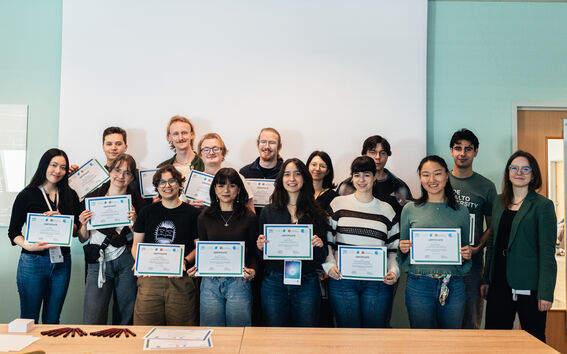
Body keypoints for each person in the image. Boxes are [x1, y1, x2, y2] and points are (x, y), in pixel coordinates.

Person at [481, 151, 556, 342]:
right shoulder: (499, 202)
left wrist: (546, 292)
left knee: (535, 340)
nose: (519, 172)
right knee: (495, 341)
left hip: (530, 287)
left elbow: (547, 253)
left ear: (533, 174)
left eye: (525, 169)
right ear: (508, 172)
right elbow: (492, 243)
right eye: (514, 168)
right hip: (498, 283)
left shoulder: (543, 205)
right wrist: (486, 278)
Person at [323, 156, 400, 328]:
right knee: (347, 334)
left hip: (378, 283)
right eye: (357, 175)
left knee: (375, 334)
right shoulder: (338, 204)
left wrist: (394, 271)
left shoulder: (387, 210)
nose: (361, 180)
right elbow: (327, 240)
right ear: (352, 177)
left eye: (366, 175)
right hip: (343, 280)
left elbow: (393, 248)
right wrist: (329, 265)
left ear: (374, 177)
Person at [398, 155, 472, 329]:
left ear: (447, 176)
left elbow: (465, 249)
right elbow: (403, 249)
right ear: (420, 178)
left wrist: (467, 253)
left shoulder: (461, 211)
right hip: (418, 285)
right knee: (422, 342)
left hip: (453, 284)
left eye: (437, 174)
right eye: (425, 175)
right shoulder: (410, 209)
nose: (431, 180)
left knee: (452, 341)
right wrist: (403, 248)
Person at [8, 148, 81, 324]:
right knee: (29, 320)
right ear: (44, 166)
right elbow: (13, 232)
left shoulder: (70, 195)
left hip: (62, 263)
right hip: (33, 262)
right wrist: (28, 246)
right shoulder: (27, 194)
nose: (58, 171)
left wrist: (65, 221)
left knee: (52, 320)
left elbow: (77, 231)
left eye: (63, 167)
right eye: (53, 165)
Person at [256, 158, 328, 326]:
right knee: (275, 335)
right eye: (287, 174)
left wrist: (319, 245)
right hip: (274, 282)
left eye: (297, 174)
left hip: (307, 281)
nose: (292, 179)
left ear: (304, 178)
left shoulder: (316, 212)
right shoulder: (268, 211)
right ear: (281, 179)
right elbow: (262, 256)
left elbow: (322, 256)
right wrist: (260, 247)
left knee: (306, 336)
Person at [78, 154, 145, 325]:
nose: (121, 176)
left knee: (126, 316)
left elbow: (142, 238)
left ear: (132, 177)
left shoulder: (139, 202)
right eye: (117, 170)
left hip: (127, 260)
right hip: (98, 260)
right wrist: (83, 225)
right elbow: (82, 238)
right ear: (109, 171)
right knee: (92, 318)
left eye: (127, 173)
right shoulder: (92, 198)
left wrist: (135, 223)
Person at [188, 168, 258, 326]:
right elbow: (203, 251)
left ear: (239, 189)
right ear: (214, 189)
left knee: (239, 333)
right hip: (210, 283)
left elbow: (254, 252)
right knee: (212, 333)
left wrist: (253, 270)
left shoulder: (250, 217)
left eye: (232, 185)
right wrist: (197, 268)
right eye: (221, 185)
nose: (226, 190)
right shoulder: (203, 218)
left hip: (239, 281)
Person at [131, 165, 200, 325]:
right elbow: (136, 245)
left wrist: (186, 261)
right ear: (156, 187)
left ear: (179, 184)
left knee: (181, 334)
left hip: (180, 280)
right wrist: (140, 262)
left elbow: (199, 247)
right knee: (145, 331)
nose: (167, 186)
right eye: (162, 182)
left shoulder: (193, 214)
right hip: (150, 280)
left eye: (171, 181)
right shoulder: (146, 212)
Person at [448, 129, 497, 329]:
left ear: (475, 152)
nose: (462, 153)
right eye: (458, 148)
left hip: (472, 264)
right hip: (441, 263)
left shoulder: (486, 186)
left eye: (468, 149)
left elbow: (493, 225)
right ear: (451, 151)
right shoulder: (438, 182)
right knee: (443, 323)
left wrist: (478, 247)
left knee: (471, 322)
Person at [239, 127, 284, 325]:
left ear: (279, 146)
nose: (267, 147)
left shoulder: (287, 172)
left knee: (277, 287)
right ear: (258, 145)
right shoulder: (244, 173)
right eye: (263, 142)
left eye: (272, 143)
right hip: (251, 235)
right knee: (254, 286)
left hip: (280, 239)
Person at [337, 135, 412, 217]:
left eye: (383, 153)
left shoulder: (399, 186)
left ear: (387, 156)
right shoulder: (347, 186)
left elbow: (408, 218)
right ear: (364, 154)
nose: (378, 157)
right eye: (373, 152)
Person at [306, 150, 337, 327]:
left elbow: (334, 232)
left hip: (323, 257)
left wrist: (327, 263)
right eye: (314, 164)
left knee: (323, 311)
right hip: (303, 259)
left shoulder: (334, 197)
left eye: (322, 165)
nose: (317, 169)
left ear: (328, 170)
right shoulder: (298, 194)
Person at [192, 133, 254, 210]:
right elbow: (181, 205)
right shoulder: (193, 179)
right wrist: (189, 205)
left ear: (223, 153)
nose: (211, 152)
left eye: (215, 148)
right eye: (206, 149)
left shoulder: (237, 177)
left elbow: (250, 210)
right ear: (200, 155)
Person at [157, 115, 204, 189]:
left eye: (184, 133)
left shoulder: (204, 164)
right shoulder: (161, 168)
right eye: (176, 134)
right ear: (169, 137)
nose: (180, 138)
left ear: (192, 135)